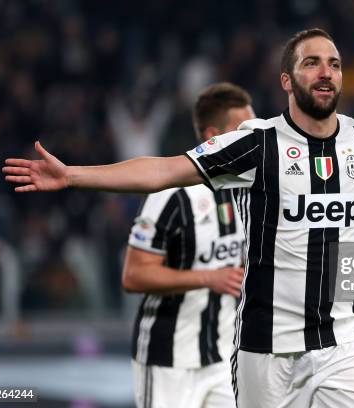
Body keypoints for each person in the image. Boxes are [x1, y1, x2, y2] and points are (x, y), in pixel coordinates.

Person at [3, 28, 354, 408]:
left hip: (347, 336)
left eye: (335, 63)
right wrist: (74, 175)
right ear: (287, 79)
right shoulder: (257, 144)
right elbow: (164, 169)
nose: (326, 71)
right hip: (265, 343)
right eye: (312, 63)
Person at [122, 82, 252, 408]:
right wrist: (208, 278)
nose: (253, 140)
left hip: (225, 356)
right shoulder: (171, 194)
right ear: (213, 137)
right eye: (243, 131)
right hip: (169, 360)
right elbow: (134, 275)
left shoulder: (252, 192)